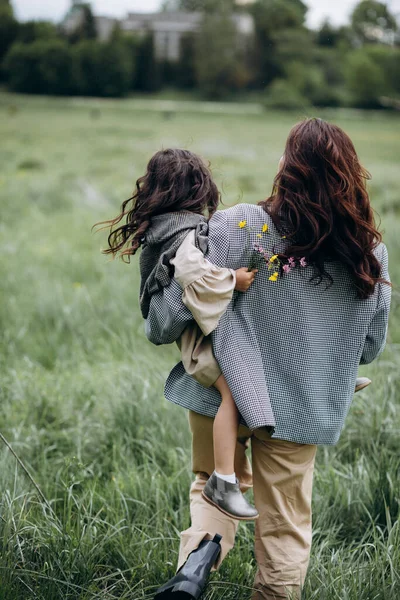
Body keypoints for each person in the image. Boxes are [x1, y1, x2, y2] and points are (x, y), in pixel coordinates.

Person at [145, 119, 392, 600]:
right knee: (286, 524)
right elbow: (368, 348)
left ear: (288, 168)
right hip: (302, 409)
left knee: (215, 484)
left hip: (226, 393)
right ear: (351, 175)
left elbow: (172, 316)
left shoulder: (240, 224)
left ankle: (196, 567)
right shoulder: (370, 253)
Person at [99, 148, 261, 520]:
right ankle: (223, 480)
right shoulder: (185, 235)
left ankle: (327, 380)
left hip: (200, 338)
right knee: (233, 395)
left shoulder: (164, 228)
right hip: (198, 347)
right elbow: (194, 278)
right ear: (197, 190)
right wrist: (232, 279)